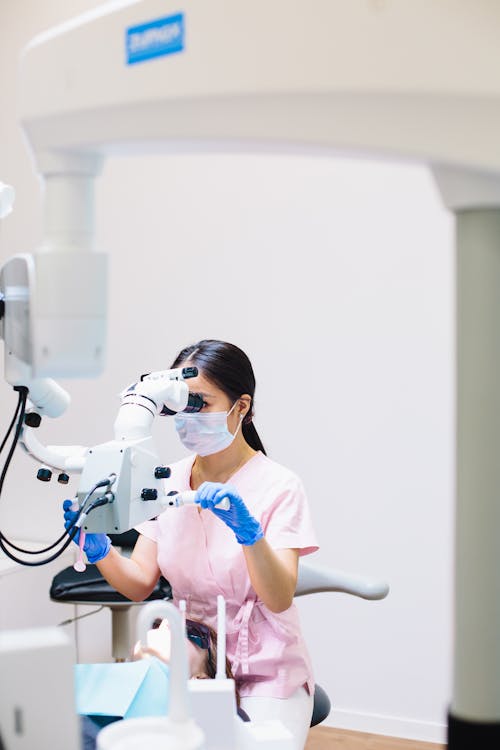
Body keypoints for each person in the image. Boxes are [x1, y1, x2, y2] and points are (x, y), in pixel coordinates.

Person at [65, 339, 319, 749]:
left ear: (241, 407)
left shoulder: (280, 487)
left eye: (199, 402)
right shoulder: (165, 481)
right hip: (187, 665)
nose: (187, 416)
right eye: (180, 404)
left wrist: (249, 535)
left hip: (265, 672)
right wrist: (101, 550)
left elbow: (277, 597)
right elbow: (139, 583)